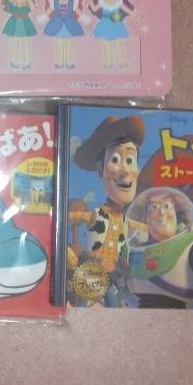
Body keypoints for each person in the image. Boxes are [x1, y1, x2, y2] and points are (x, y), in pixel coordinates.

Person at [68, 115, 145, 305]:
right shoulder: (97, 215)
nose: (125, 171)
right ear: (100, 168)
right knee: (87, 301)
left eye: (130, 160)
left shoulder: (128, 222)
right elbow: (76, 217)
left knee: (113, 301)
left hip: (114, 277)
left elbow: (145, 231)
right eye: (115, 159)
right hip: (92, 272)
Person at [42, 0, 84, 69]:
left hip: (69, 24)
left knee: (69, 44)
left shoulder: (73, 2)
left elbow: (77, 11)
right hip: (57, 24)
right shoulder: (53, 2)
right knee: (58, 43)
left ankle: (69, 62)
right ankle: (59, 61)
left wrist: (83, 17)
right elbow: (49, 10)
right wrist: (43, 17)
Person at [0, 0, 37, 70]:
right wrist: (0, 20)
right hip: (14, 23)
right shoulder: (11, 1)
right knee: (15, 43)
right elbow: (6, 11)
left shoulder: (28, 1)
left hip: (25, 22)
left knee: (26, 43)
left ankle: (27, 61)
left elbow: (33, 9)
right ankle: (14, 61)